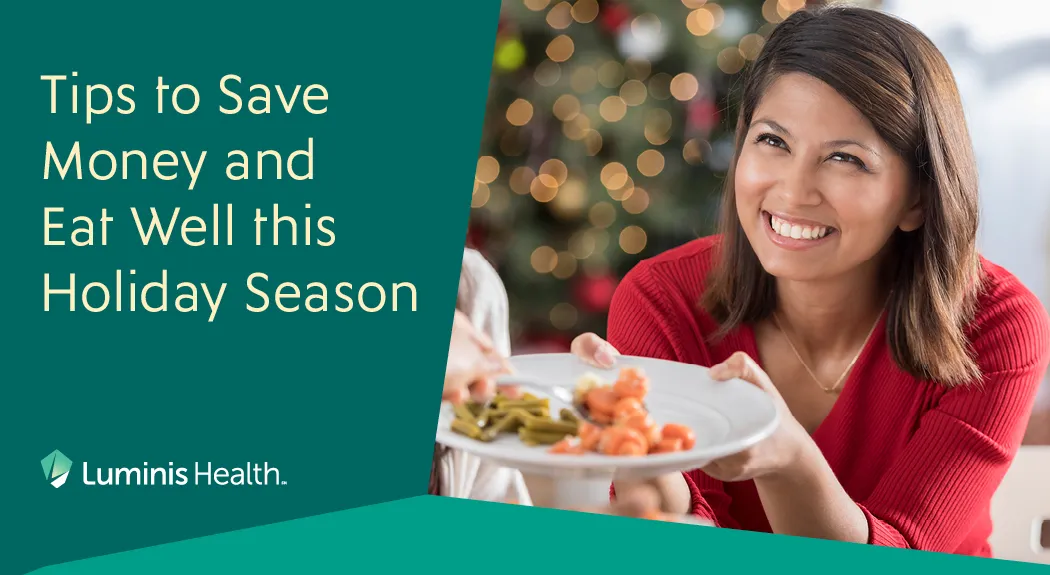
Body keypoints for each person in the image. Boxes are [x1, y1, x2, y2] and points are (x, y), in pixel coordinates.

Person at [570, 5, 1050, 557]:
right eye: (773, 141)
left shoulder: (996, 325)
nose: (794, 192)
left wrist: (787, 459)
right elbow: (673, 520)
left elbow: (903, 555)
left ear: (917, 198)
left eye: (845, 158)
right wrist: (644, 456)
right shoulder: (661, 297)